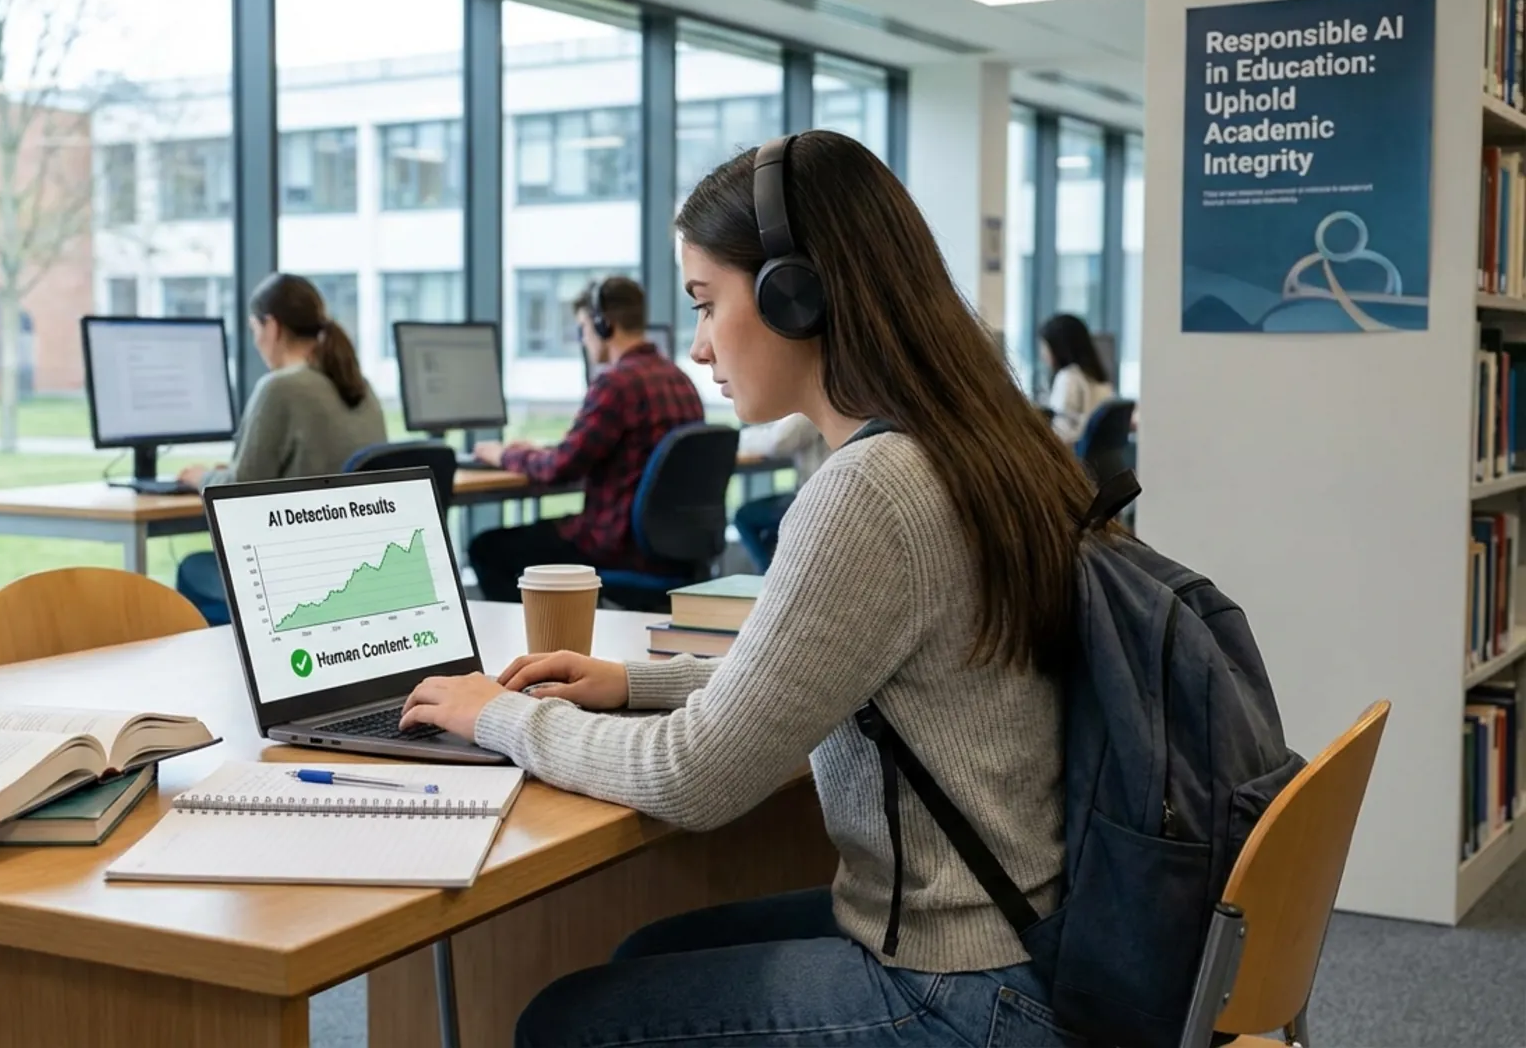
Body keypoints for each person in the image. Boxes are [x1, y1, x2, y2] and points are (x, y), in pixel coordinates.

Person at [399, 130, 1095, 1048]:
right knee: (647, 950)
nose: (694, 347)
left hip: (963, 988)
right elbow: (835, 678)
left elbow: (694, 779)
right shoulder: (987, 444)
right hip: (1044, 942)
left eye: (705, 302)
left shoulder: (871, 491)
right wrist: (633, 684)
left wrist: (495, 714)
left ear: (793, 296)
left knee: (565, 1023)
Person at [467, 276, 703, 605]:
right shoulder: (681, 380)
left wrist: (501, 455)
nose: (583, 338)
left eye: (583, 327)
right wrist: (541, 451)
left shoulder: (616, 383)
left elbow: (559, 469)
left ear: (603, 325)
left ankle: (538, 647)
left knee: (487, 548)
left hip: (615, 545)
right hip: (673, 549)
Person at [173, 272, 386, 623]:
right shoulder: (359, 386)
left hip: (297, 581)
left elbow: (237, 493)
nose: (256, 341)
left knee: (193, 568)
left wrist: (201, 477)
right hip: (355, 571)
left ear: (271, 326)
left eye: (254, 330)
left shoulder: (280, 388)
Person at [731, 413, 828, 572]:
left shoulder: (811, 411)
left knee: (744, 516)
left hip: (815, 500)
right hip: (817, 495)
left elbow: (777, 443)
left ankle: (768, 577)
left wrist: (737, 440)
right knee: (772, 533)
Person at [1038, 313, 1115, 447]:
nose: (1042, 353)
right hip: (1097, 462)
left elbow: (1060, 433)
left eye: (1044, 346)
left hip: (1072, 459)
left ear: (1058, 347)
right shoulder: (1098, 379)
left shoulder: (1068, 378)